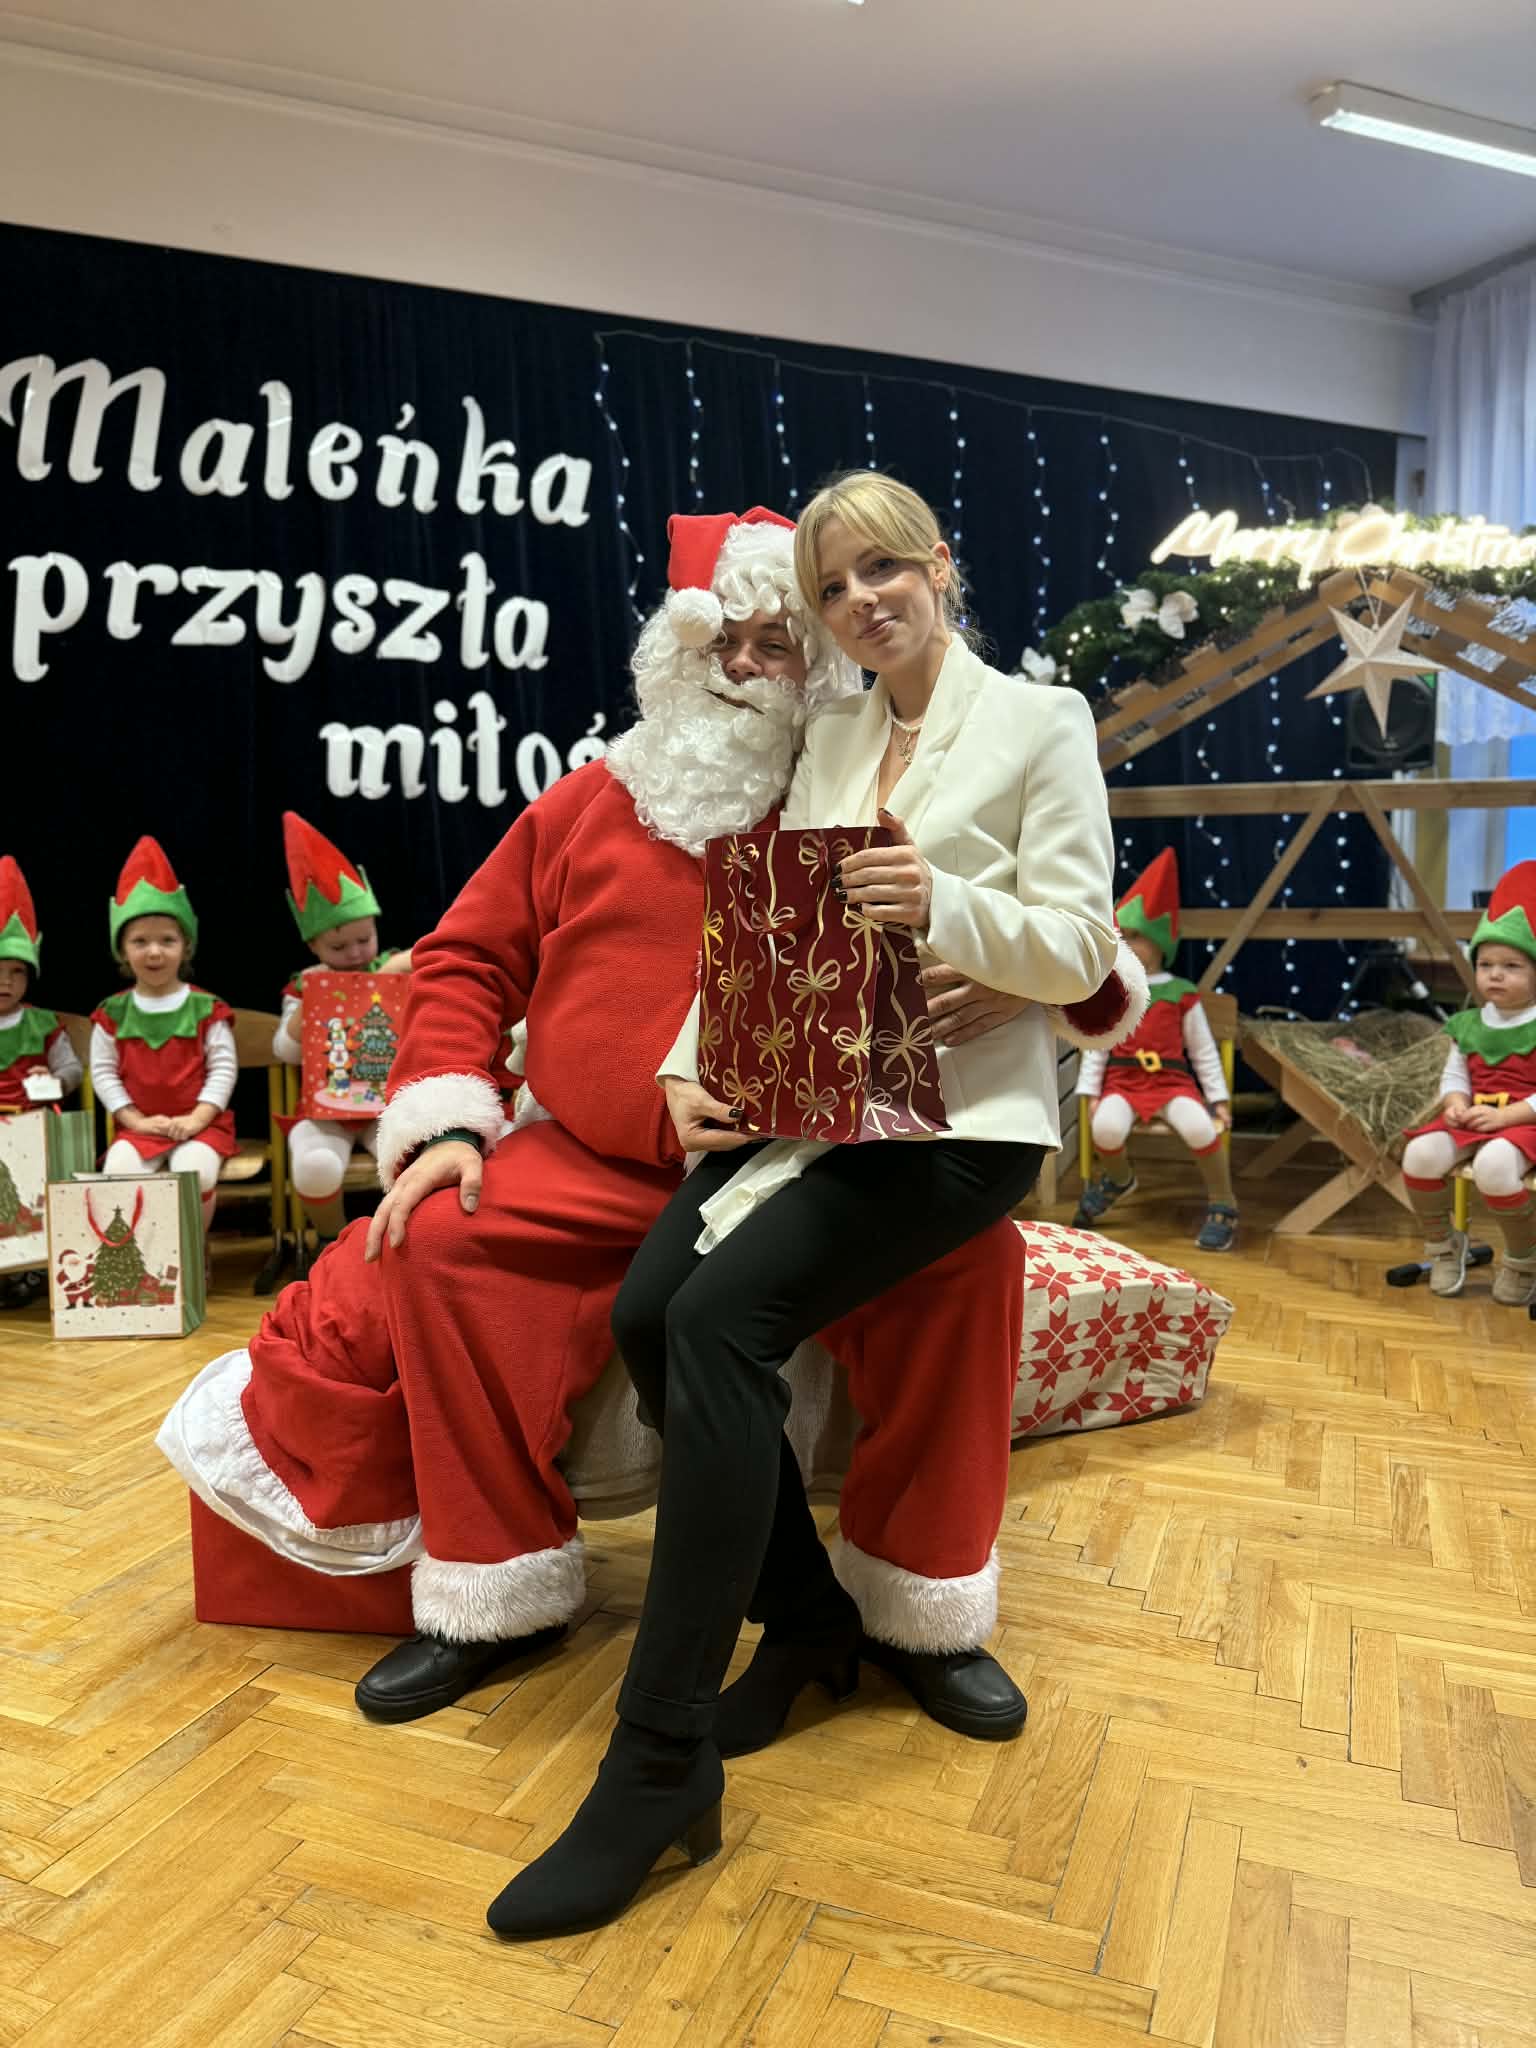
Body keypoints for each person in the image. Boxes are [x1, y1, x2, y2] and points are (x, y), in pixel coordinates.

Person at [160, 506, 1138, 1736]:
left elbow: (1063, 924)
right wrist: (449, 1124)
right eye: (721, 641)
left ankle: (918, 1610)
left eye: (775, 644)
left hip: (811, 1154)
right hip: (592, 1157)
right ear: (673, 653)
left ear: (817, 660)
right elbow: (464, 959)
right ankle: (492, 1589)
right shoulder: (586, 803)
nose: (745, 666)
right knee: (447, 1242)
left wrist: (1035, 987)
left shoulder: (852, 770)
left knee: (970, 1264)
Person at [483, 471, 1123, 1940]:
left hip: (959, 1127)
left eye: (881, 570)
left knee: (716, 1323)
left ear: (939, 564)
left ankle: (657, 1761)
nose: (859, 603)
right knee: (653, 1313)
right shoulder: (831, 733)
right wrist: (684, 1062)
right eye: (833, 588)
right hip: (818, 1101)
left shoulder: (1040, 722)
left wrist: (944, 905)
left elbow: (1084, 945)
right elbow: (763, 926)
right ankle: (818, 1622)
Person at [1073, 847, 1237, 1250]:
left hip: (1171, 1082)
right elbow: (1098, 1044)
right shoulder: (1115, 989)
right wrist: (1091, 1093)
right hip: (1123, 1081)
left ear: (1159, 941)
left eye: (1134, 937)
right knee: (1105, 1128)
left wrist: (1218, 1099)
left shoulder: (1181, 993)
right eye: (1121, 936)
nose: (1124, 943)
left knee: (1200, 1128)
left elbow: (1203, 1051)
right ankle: (1120, 1178)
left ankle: (1223, 1201)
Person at [273, 811, 412, 1247]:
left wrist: (400, 966)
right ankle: (332, 1242)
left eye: (364, 940)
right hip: (324, 1110)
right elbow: (284, 1051)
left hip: (385, 1104)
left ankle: (406, 1240)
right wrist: (307, 1007)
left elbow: (436, 957)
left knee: (412, 1154)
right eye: (338, 946)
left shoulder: (391, 967)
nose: (354, 953)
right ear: (313, 944)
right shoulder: (305, 984)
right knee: (314, 1165)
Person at [1402, 857, 1536, 1303]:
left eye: (1512, 966)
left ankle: (1523, 1258)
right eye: (1486, 963)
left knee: (1494, 1167)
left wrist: (1508, 1117)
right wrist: (1455, 1103)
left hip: (1525, 1122)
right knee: (1420, 1155)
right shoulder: (1469, 1023)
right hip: (1477, 1117)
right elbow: (1455, 1074)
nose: (1495, 974)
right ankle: (1444, 1246)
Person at [92, 837, 238, 1238]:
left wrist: (197, 1119)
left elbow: (223, 1069)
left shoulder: (206, 1008)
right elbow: (103, 1073)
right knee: (118, 1171)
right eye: (140, 941)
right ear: (122, 950)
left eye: (167, 941)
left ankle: (192, 1252)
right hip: (140, 1127)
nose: (154, 952)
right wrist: (134, 1120)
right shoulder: (111, 1014)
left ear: (185, 947)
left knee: (194, 1173)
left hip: (201, 1125)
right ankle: (148, 1260)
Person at [0, 854, 83, 1308]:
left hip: (32, 1129)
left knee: (32, 1192)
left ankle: (29, 1270)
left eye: (16, 972)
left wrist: (51, 1077)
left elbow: (72, 1071)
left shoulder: (43, 1023)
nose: (6, 982)